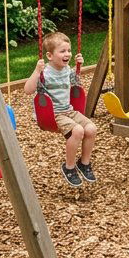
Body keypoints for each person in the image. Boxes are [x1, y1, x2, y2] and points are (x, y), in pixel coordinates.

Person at [24, 31, 97, 188]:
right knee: (78, 131)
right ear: (50, 56)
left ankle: (84, 163)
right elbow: (28, 90)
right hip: (53, 115)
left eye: (69, 51)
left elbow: (76, 82)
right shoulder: (44, 73)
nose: (68, 54)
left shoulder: (67, 70)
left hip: (69, 111)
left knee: (91, 128)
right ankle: (69, 167)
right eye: (63, 51)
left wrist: (79, 67)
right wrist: (36, 71)